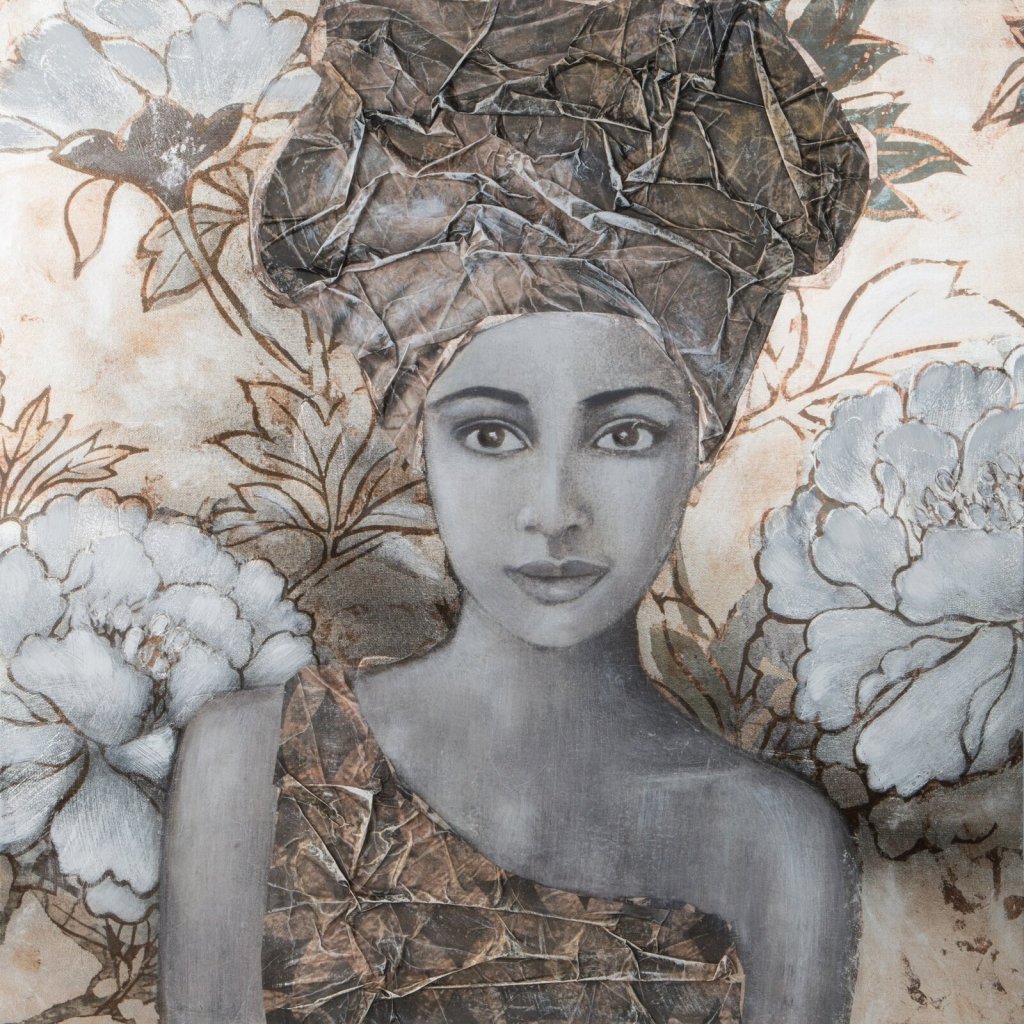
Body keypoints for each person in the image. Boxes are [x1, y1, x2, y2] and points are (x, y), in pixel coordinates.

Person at [159, 2, 870, 1022]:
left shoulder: (771, 844)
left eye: (624, 434)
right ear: (417, 439)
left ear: (702, 442)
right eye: (491, 433)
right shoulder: (253, 766)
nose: (553, 510)